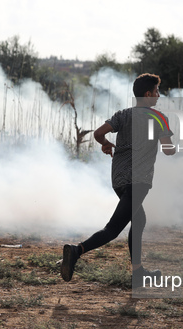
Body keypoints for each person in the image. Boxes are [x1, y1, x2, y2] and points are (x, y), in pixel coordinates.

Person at [61, 73, 176, 286]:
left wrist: (105, 143)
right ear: (148, 94)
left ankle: (138, 273)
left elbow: (97, 133)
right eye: (157, 92)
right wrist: (172, 146)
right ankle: (77, 251)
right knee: (113, 229)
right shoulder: (158, 118)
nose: (159, 96)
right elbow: (169, 150)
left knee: (139, 220)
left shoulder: (123, 114)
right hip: (139, 180)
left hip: (120, 179)